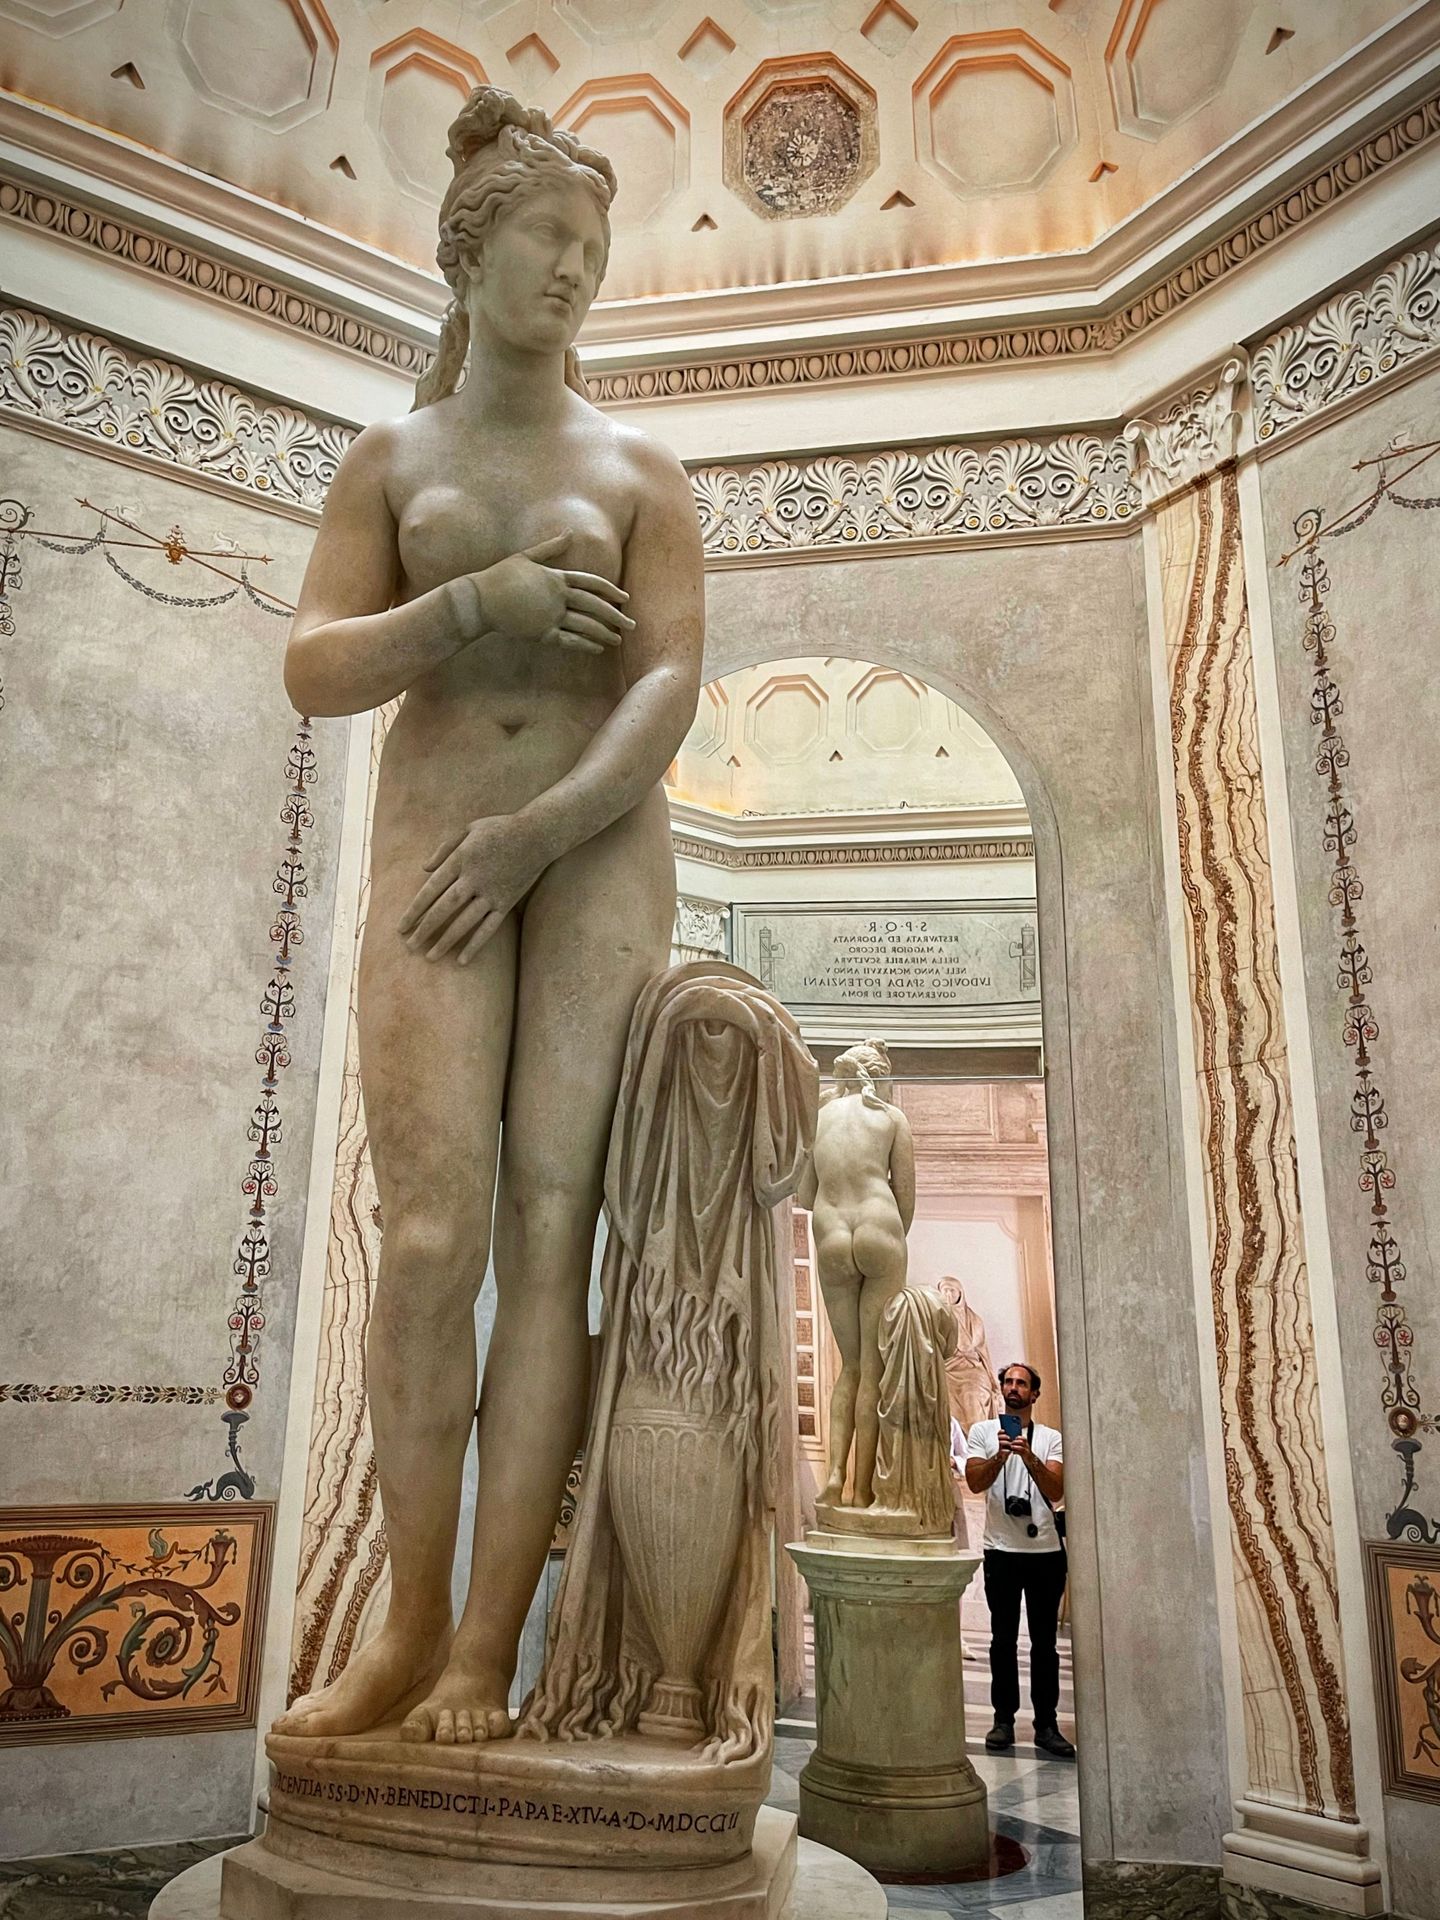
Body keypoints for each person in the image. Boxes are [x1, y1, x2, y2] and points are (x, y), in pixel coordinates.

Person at [274, 86, 704, 1747]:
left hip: (589, 847)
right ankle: (407, 1627)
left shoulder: (639, 467)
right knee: (432, 1238)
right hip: (437, 845)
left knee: (548, 1231)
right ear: (470, 254)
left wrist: (545, 830)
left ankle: (485, 1653)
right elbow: (316, 666)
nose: (575, 269)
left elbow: (666, 681)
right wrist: (471, 604)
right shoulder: (394, 460)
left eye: (593, 245)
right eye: (547, 237)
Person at [797, 1040, 915, 1510]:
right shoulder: (891, 1118)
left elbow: (804, 1195)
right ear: (880, 1077)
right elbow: (906, 1200)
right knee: (873, 1368)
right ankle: (863, 1490)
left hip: (830, 1233)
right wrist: (889, 1240)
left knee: (849, 1366)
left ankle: (834, 1479)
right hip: (879, 1225)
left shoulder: (819, 1119)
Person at [965, 1362, 1075, 1758]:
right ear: (1001, 1389)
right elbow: (975, 1481)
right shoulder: (982, 1433)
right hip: (1001, 1551)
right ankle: (1003, 1721)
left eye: (1022, 1383)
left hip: (1045, 1553)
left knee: (1044, 1644)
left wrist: (1028, 1456)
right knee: (1002, 1641)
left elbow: (1056, 1489)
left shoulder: (1050, 1438)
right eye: (1008, 1382)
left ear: (1034, 1394)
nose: (1014, 1388)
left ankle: (1046, 1724)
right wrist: (1000, 1455)